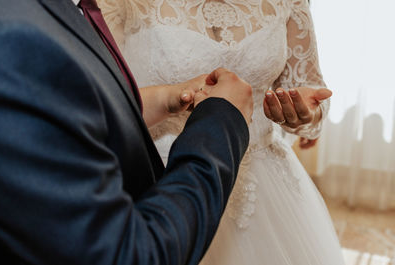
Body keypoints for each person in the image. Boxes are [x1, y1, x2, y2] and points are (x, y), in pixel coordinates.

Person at [0, 0, 254, 264]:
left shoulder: (61, 10)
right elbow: (129, 255)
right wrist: (223, 119)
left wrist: (165, 98)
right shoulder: (14, 43)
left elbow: (76, 108)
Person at [98, 0, 346, 264]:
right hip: (164, 178)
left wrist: (305, 112)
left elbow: (310, 86)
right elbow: (97, 106)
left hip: (266, 184)